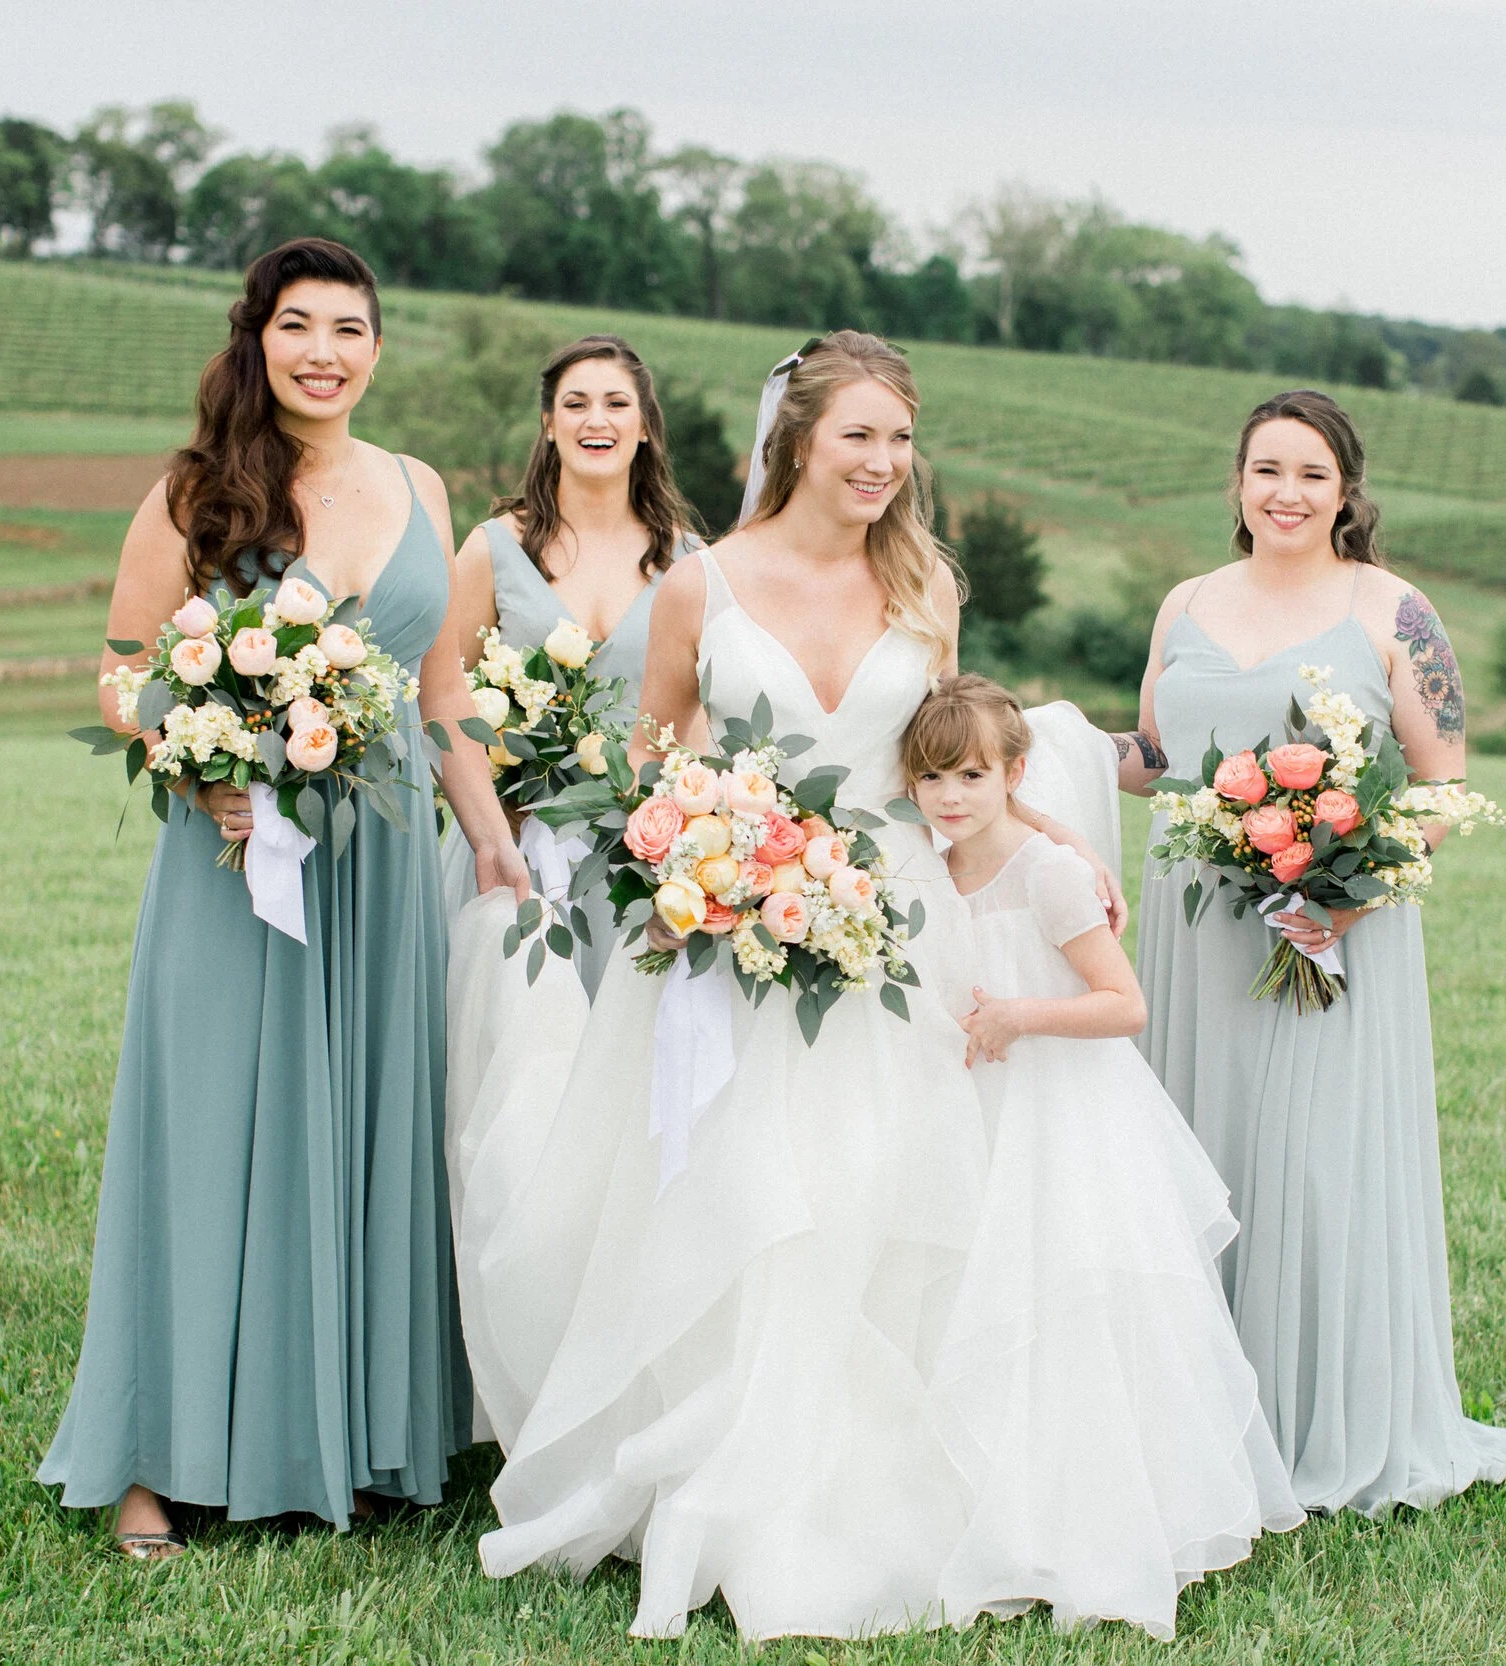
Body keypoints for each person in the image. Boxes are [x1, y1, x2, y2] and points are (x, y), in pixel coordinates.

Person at [478, 331, 1118, 1640]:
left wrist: (1055, 850)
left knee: (881, 1196)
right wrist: (708, 858)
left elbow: (960, 760)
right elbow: (648, 761)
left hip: (895, 938)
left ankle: (882, 1482)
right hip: (732, 940)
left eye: (899, 439)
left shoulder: (927, 583)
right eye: (857, 438)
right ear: (798, 443)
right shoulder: (699, 585)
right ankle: (730, 1481)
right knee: (746, 1196)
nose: (883, 463)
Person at [35, 238, 529, 1559]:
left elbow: (441, 699)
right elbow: (124, 664)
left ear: (378, 345)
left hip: (379, 875)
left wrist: (490, 846)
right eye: (297, 324)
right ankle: (153, 1454)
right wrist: (193, 765)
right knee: (207, 1137)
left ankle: (353, 1435)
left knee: (369, 1134)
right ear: (258, 338)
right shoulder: (196, 491)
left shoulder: (421, 485)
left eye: (349, 327)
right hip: (234, 864)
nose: (324, 350)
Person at [1110, 388, 1506, 1519]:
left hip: (1330, 927)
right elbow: (1157, 751)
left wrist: (1351, 888)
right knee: (1198, 1155)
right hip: (1191, 925)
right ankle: (1200, 1419)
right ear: (1236, 484)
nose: (1286, 493)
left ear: (1346, 493)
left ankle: (1325, 1418)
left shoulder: (1394, 609)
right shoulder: (1185, 602)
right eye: (1266, 471)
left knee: (1317, 1167)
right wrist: (1032, 747)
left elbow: (1440, 782)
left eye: (1311, 475)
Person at [905, 675, 1304, 1639]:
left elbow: (1125, 1007)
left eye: (969, 776)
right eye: (930, 778)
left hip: (1061, 1112)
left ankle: (1096, 1515)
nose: (949, 797)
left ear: (1012, 774)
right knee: (982, 1301)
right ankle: (989, 1506)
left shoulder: (1047, 872)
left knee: (1067, 1310)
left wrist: (1019, 1016)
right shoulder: (931, 863)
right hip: (977, 1108)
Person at [439, 336, 705, 1450]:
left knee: (633, 1111)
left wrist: (669, 831)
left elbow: (701, 705)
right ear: (546, 423)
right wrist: (493, 830)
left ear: (645, 423)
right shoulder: (492, 547)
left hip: (639, 869)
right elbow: (443, 694)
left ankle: (622, 1375)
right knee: (517, 1109)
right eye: (574, 401)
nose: (596, 416)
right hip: (519, 856)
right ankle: (507, 1375)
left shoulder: (693, 555)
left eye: (617, 401)